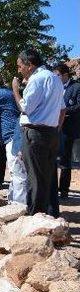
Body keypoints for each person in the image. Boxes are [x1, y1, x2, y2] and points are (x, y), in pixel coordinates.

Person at [11, 49, 66, 217]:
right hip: (51, 133)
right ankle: (49, 215)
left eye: (20, 66)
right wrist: (56, 128)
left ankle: (35, 218)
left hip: (35, 134)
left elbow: (25, 108)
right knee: (47, 177)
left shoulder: (36, 79)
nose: (19, 70)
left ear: (30, 65)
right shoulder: (56, 79)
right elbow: (62, 109)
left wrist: (15, 90)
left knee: (35, 179)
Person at [53, 63, 80, 199]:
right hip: (51, 127)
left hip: (67, 129)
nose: (55, 78)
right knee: (51, 158)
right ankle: (52, 188)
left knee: (65, 159)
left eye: (57, 75)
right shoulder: (53, 87)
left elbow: (78, 106)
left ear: (65, 75)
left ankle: (63, 190)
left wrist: (63, 111)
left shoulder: (76, 87)